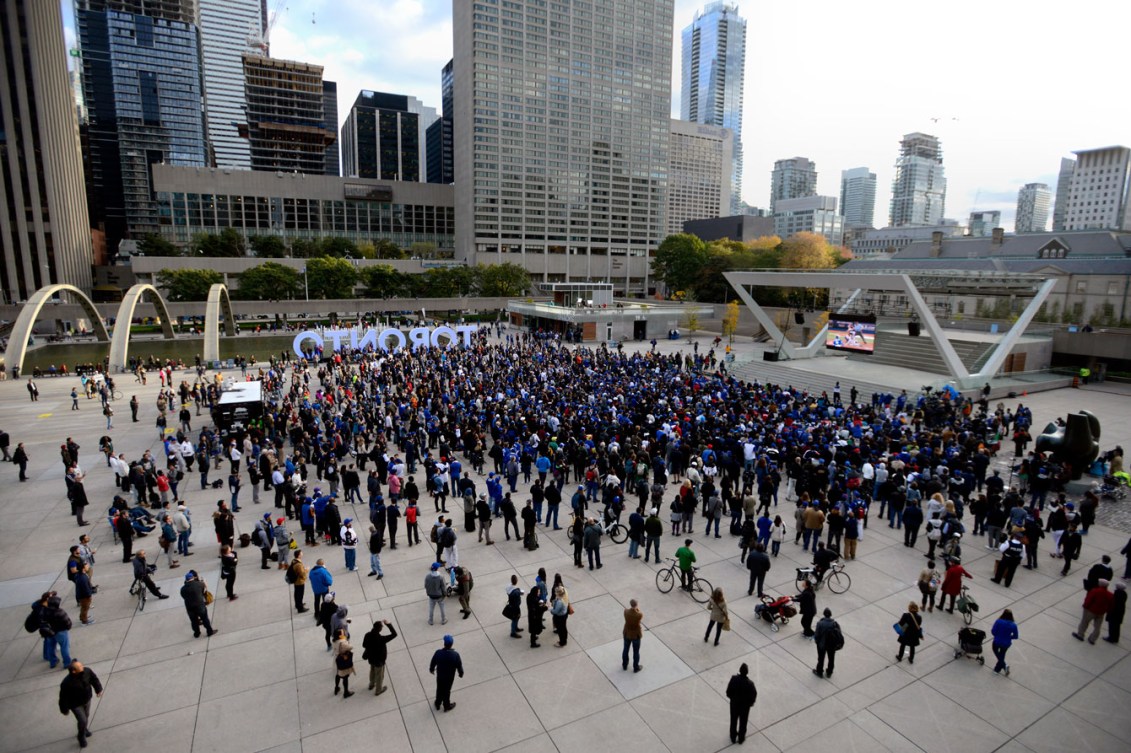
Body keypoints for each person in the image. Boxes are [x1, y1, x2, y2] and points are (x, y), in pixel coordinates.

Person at [58, 660, 103, 748]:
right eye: (80, 666)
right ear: (74, 671)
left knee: (86, 716)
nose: (82, 667)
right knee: (82, 720)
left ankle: (84, 729)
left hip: (87, 699)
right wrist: (64, 710)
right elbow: (63, 698)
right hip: (75, 705)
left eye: (81, 665)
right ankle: (81, 736)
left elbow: (94, 679)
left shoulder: (87, 671)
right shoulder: (66, 683)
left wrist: (98, 689)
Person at [362, 619, 398, 695]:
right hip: (379, 661)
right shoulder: (381, 639)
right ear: (380, 629)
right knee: (379, 675)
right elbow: (394, 634)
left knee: (372, 671)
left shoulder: (367, 635)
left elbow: (364, 645)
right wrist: (389, 624)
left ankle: (371, 684)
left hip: (371, 658)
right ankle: (378, 690)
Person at [429, 634, 464, 712]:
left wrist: (431, 669)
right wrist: (460, 673)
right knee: (447, 690)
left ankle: (437, 703)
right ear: (452, 644)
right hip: (449, 677)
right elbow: (459, 665)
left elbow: (433, 662)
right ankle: (446, 705)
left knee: (439, 689)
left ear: (444, 643)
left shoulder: (438, 653)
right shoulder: (455, 655)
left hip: (440, 676)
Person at [725, 663, 758, 745]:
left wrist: (732, 698)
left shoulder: (733, 679)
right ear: (747, 672)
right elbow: (753, 696)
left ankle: (733, 737)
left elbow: (728, 691)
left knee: (733, 720)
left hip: (734, 704)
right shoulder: (750, 684)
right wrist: (749, 704)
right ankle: (741, 738)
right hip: (744, 707)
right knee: (743, 722)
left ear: (740, 670)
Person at [1073, 579, 1113, 644]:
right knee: (1097, 627)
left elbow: (1089, 600)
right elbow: (1111, 605)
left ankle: (1080, 635)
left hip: (1091, 610)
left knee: (1084, 622)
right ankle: (1092, 639)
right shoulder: (1110, 595)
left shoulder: (1095, 591)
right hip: (1101, 613)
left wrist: (1085, 606)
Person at [179, 570, 216, 638]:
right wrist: (204, 582)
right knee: (205, 619)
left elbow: (183, 596)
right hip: (200, 606)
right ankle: (209, 631)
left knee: (194, 621)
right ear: (193, 577)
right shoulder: (199, 584)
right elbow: (204, 590)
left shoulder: (182, 589)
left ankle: (197, 633)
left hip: (189, 607)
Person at [40, 594, 74, 668]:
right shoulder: (60, 612)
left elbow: (42, 621)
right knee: (64, 647)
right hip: (61, 631)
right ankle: (67, 663)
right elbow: (67, 622)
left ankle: (53, 661)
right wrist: (68, 627)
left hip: (49, 632)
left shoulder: (45, 611)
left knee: (51, 647)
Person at [813, 607, 842, 678]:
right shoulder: (835, 624)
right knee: (831, 658)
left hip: (822, 644)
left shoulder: (820, 623)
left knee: (821, 658)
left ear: (824, 614)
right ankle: (829, 672)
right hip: (832, 645)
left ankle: (819, 672)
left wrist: (817, 641)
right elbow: (839, 634)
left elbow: (816, 635)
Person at [990, 609, 1019, 675]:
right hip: (1006, 643)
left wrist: (998, 635)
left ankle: (1003, 665)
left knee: (996, 651)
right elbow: (1016, 636)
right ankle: (997, 669)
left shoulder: (998, 621)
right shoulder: (1013, 625)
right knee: (1002, 654)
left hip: (997, 641)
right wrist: (1009, 637)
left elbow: (993, 631)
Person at [332, 628, 356, 698]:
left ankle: (336, 688)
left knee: (338, 674)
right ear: (340, 635)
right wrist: (346, 639)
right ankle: (346, 692)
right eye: (343, 633)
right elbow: (351, 647)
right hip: (343, 661)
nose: (344, 633)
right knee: (345, 677)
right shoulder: (343, 642)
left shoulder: (334, 640)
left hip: (337, 660)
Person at [622, 598, 644, 672]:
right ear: (636, 605)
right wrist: (637, 609)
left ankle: (624, 665)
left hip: (627, 633)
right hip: (636, 635)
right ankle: (635, 667)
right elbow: (638, 614)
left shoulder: (625, 612)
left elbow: (629, 612)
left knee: (625, 649)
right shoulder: (639, 615)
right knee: (636, 652)